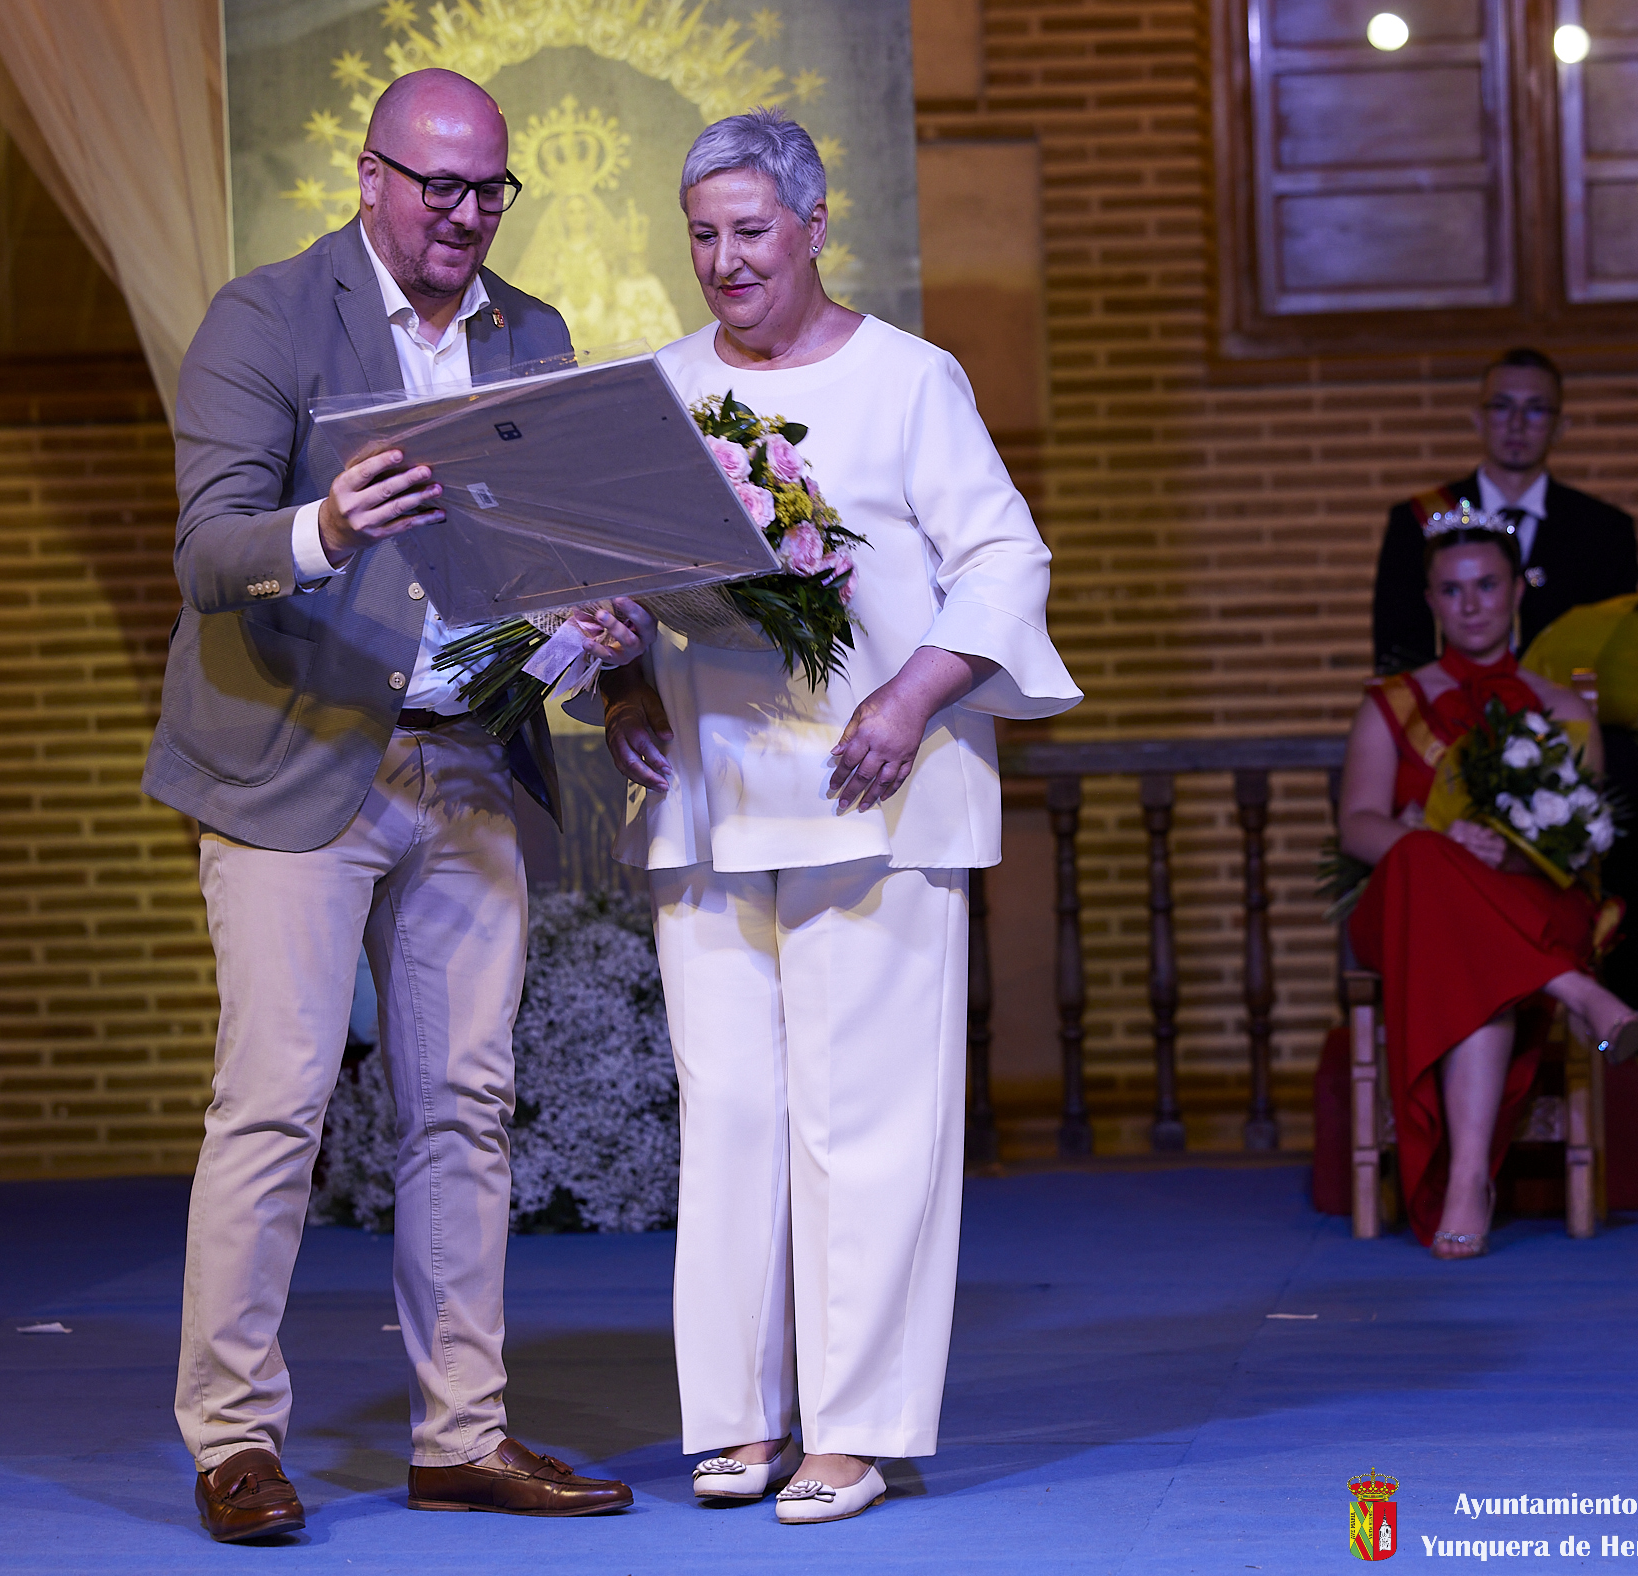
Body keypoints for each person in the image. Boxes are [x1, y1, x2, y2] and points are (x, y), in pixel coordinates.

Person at [145, 68, 638, 1543]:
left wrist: (597, 632)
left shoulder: (531, 334)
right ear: (370, 177)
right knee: (277, 1101)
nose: (467, 215)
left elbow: (548, 551)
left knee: (465, 1108)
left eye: (490, 189)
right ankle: (233, 1439)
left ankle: (460, 1435)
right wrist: (325, 524)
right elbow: (205, 551)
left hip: (463, 757)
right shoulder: (266, 318)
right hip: (292, 753)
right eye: (440, 187)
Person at [596, 110, 1080, 1526]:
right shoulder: (661, 388)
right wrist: (622, 683)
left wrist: (910, 698)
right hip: (712, 797)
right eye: (702, 234)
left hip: (876, 796)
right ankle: (738, 1416)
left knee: (864, 1124)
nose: (725, 259)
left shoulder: (909, 379)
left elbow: (1003, 562)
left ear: (814, 225)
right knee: (731, 1116)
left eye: (750, 230)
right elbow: (615, 581)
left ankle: (854, 1428)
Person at [1340, 511, 1638, 1260]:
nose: (1471, 603)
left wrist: (1511, 853)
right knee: (1421, 861)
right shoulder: (1390, 703)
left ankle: (1468, 1179)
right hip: (1413, 908)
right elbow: (1357, 826)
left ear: (1517, 590)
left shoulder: (1563, 708)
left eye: (1486, 585)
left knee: (1469, 948)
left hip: (1527, 900)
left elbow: (1585, 840)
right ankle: (1578, 994)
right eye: (1452, 590)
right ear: (1430, 600)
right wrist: (1440, 842)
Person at [1371, 348, 1638, 1016]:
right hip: (1453, 718)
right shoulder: (1417, 521)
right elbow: (1396, 651)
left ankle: (1624, 1001)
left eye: (1535, 410)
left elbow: (1613, 651)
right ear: (1478, 417)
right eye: (1501, 407)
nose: (1517, 424)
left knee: (1627, 778)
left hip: (1557, 723)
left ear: (1559, 424)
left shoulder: (1603, 529)